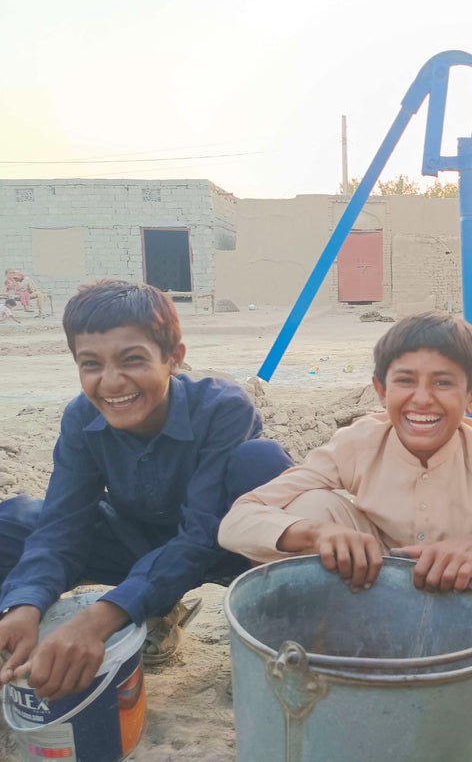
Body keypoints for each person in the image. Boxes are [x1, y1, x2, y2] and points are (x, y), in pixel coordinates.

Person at [219, 311, 472, 722]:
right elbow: (236, 523)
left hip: (461, 609)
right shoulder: (357, 443)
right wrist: (315, 533)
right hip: (369, 598)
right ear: (381, 390)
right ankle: (323, 649)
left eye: (443, 382)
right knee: (311, 506)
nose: (422, 398)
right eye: (405, 381)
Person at [0, 279, 293, 702]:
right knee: (14, 522)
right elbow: (62, 526)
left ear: (174, 359)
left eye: (132, 360)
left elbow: (200, 536)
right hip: (136, 542)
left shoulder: (223, 407)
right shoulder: (81, 417)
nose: (112, 382)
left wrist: (102, 617)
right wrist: (24, 603)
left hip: (225, 545)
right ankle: (28, 642)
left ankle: (278, 643)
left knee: (261, 463)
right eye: (91, 364)